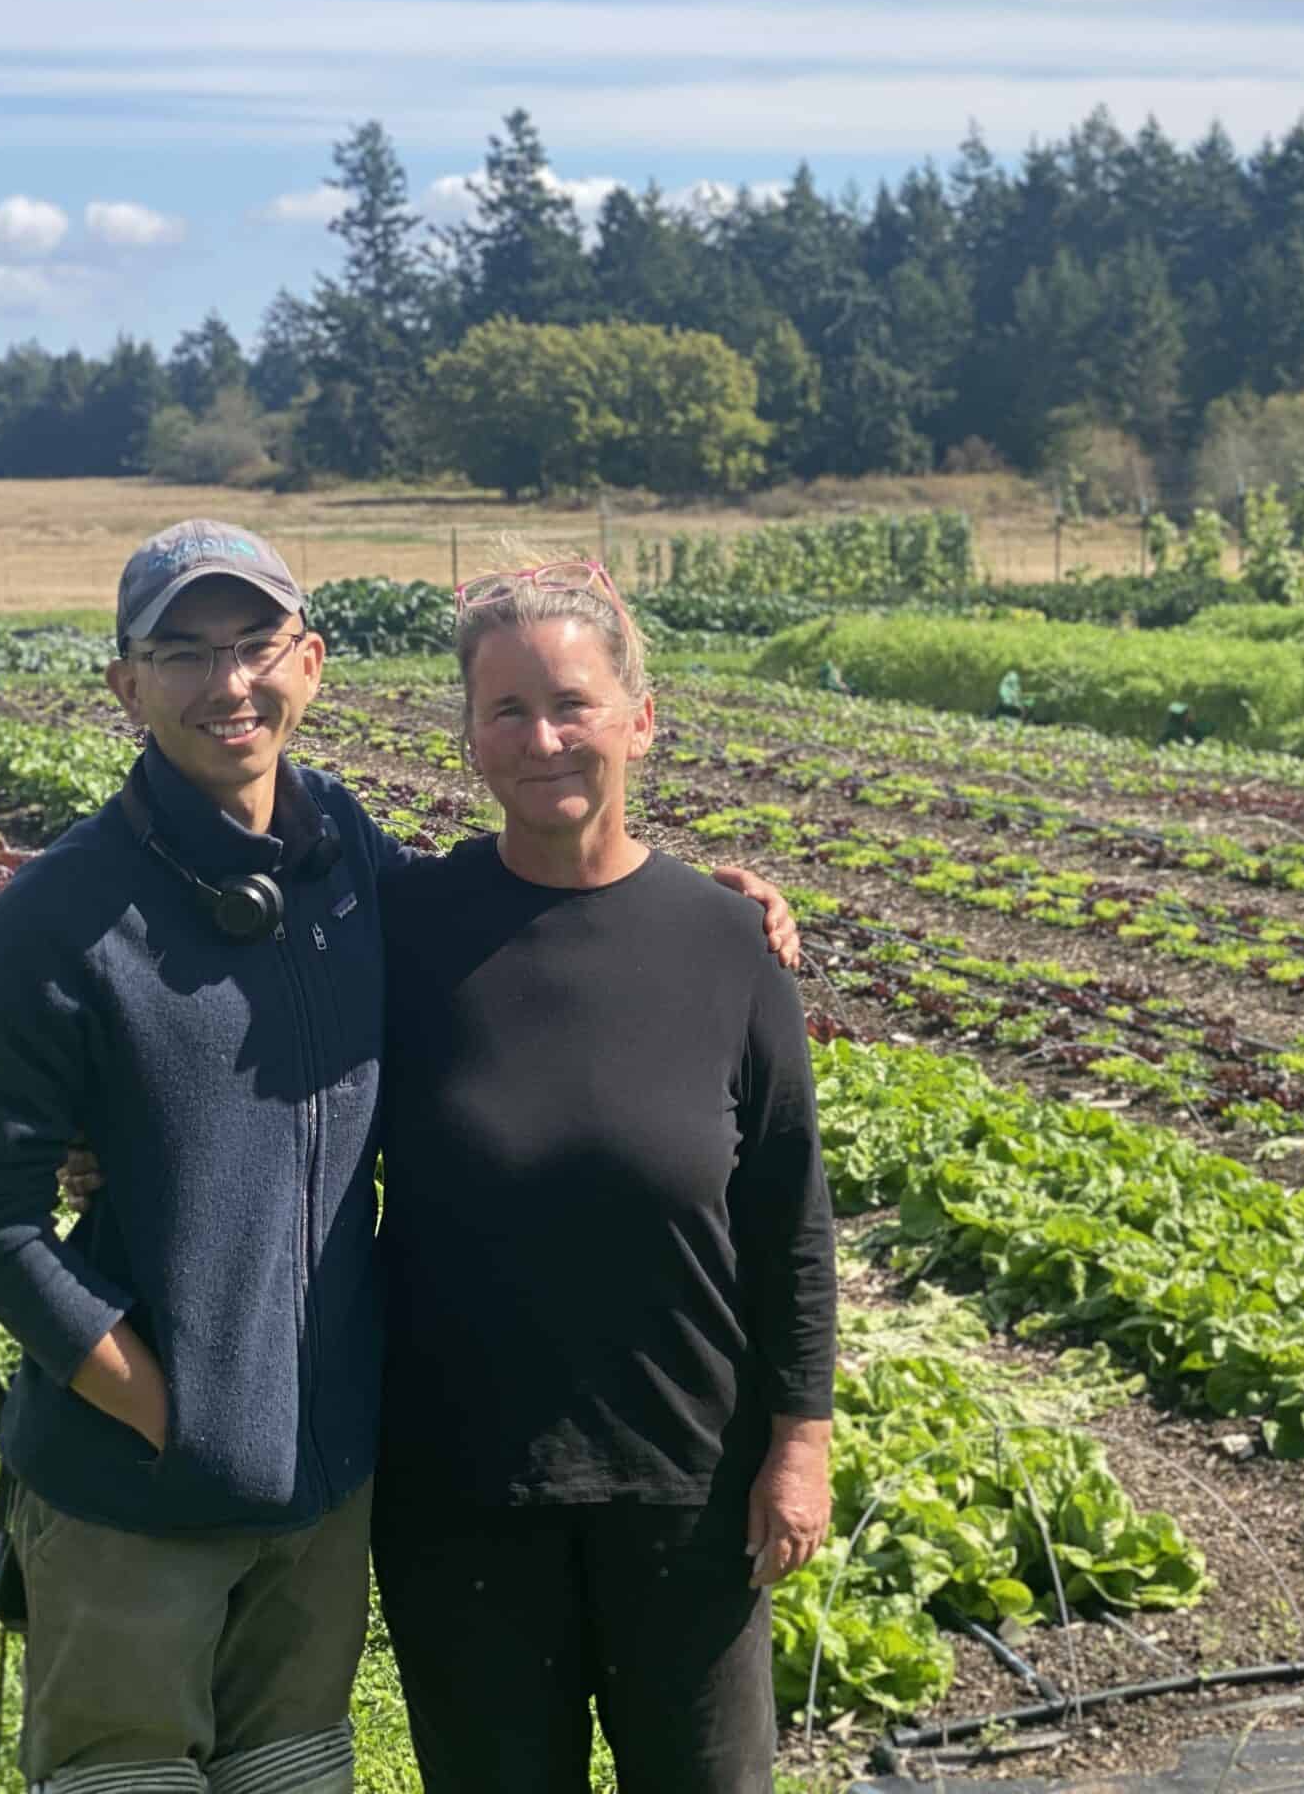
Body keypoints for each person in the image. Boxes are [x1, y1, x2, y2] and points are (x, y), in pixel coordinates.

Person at [0, 521, 796, 1794]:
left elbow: (529, 926)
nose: (228, 684)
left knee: (292, 1770)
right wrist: (164, 1410)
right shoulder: (53, 924)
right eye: (182, 653)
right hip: (134, 1492)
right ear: (125, 684)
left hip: (325, 1488)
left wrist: (710, 916)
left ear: (312, 661)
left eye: (255, 644)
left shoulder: (350, 867)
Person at [367, 559, 835, 1794]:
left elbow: (789, 1212)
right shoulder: (402, 932)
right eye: (506, 710)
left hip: (689, 1483)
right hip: (459, 1486)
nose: (543, 738)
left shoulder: (727, 942)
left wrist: (801, 1442)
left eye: (572, 703)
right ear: (468, 736)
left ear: (639, 719)